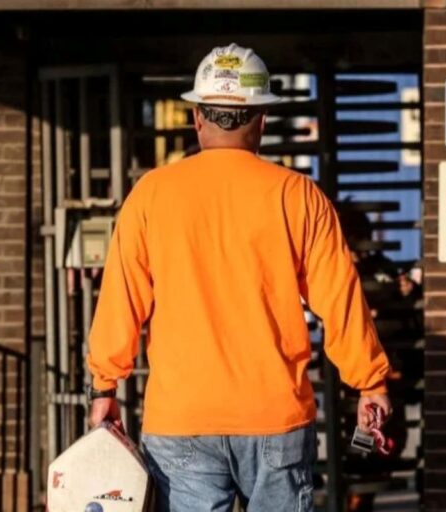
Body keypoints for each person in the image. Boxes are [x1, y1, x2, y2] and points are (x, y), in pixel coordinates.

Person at [85, 43, 391, 512]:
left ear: (197, 119)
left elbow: (120, 301)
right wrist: (371, 382)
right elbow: (341, 301)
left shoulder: (151, 195)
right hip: (276, 419)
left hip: (180, 419)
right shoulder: (299, 197)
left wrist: (105, 387)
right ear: (262, 120)